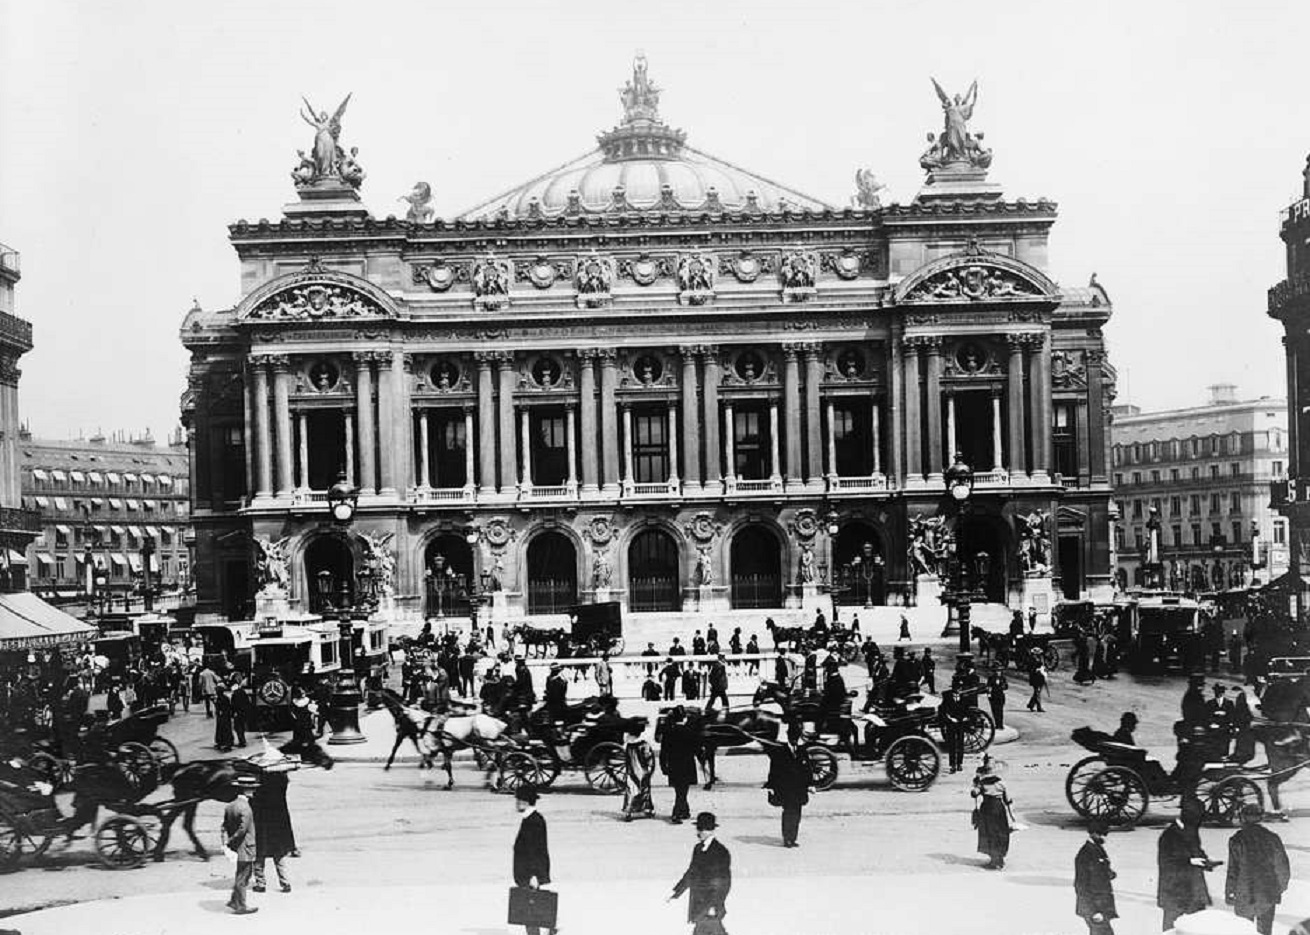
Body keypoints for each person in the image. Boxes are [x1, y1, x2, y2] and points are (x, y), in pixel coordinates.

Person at [1225, 804, 1291, 935]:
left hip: (1243, 892)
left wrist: (1230, 892)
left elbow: (1233, 870)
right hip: (1267, 892)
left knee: (1244, 930)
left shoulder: (1236, 839)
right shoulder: (1272, 838)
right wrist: (1278, 888)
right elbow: (1282, 867)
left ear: (1243, 818)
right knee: (1265, 931)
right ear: (1260, 817)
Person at [1157, 797, 1215, 931]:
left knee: (1196, 929)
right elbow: (1166, 862)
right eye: (1198, 817)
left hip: (1193, 890)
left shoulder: (1191, 831)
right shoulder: (1169, 835)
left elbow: (1197, 852)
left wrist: (1206, 862)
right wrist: (1189, 861)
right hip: (1175, 892)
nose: (1200, 821)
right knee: (1172, 929)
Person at [669, 812, 732, 935]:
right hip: (698, 904)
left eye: (703, 829)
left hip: (710, 907)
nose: (699, 832)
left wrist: (714, 904)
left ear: (712, 830)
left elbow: (723, 883)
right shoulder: (698, 848)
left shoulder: (720, 851)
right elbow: (691, 873)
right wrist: (676, 892)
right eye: (698, 828)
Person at [512, 785, 555, 935]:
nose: (516, 803)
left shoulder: (534, 821)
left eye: (518, 800)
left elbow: (537, 850)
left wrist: (535, 875)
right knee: (529, 911)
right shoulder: (531, 819)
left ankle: (550, 929)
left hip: (530, 874)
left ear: (525, 802)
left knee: (531, 912)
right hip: (527, 873)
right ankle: (549, 929)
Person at [761, 723, 811, 848]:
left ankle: (793, 838)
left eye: (796, 737)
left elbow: (807, 769)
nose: (794, 739)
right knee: (788, 813)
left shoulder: (802, 750)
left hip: (799, 789)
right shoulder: (780, 750)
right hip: (786, 789)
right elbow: (774, 769)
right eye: (792, 736)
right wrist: (771, 785)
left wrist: (810, 784)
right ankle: (787, 839)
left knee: (797, 814)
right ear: (788, 736)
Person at [251, 770, 294, 894]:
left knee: (259, 857)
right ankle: (285, 883)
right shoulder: (279, 795)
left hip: (262, 830)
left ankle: (261, 883)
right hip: (276, 831)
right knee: (279, 858)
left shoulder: (258, 794)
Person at [223, 775, 260, 915]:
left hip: (237, 847)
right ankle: (241, 906)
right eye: (251, 789)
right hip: (246, 847)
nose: (253, 792)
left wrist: (229, 842)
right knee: (244, 877)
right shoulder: (246, 808)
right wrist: (233, 840)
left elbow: (225, 825)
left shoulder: (230, 806)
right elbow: (243, 829)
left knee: (240, 874)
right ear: (246, 791)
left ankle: (234, 901)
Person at [1074, 820, 1117, 935]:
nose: (1103, 837)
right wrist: (1092, 910)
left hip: (1102, 904)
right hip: (1094, 906)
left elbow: (1100, 870)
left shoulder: (1098, 849)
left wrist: (1109, 873)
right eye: (1100, 834)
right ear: (1092, 833)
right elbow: (1081, 884)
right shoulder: (1085, 854)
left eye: (1104, 834)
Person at [971, 757, 1012, 870]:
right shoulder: (1001, 783)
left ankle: (994, 860)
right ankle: (1000, 858)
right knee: (1001, 832)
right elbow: (1008, 800)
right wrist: (1012, 815)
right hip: (999, 809)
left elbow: (974, 794)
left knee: (989, 832)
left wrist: (975, 784)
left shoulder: (982, 784)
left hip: (987, 809)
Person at [660, 706, 699, 823]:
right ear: (684, 717)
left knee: (679, 790)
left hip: (673, 765)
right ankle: (676, 813)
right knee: (682, 791)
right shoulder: (690, 731)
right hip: (687, 765)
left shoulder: (668, 732)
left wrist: (663, 766)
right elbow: (696, 749)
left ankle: (684, 810)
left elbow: (663, 751)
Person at [621, 719, 656, 821]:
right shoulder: (644, 745)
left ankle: (628, 811)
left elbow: (627, 759)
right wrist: (650, 769)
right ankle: (647, 809)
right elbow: (649, 759)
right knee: (645, 790)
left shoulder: (629, 745)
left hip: (631, 771)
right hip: (643, 771)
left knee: (631, 790)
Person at [938, 687, 967, 773]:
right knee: (952, 746)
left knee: (961, 745)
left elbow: (967, 711)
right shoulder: (947, 701)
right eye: (956, 693)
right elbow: (943, 713)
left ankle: (959, 764)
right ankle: (952, 765)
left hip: (960, 724)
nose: (957, 694)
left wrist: (964, 718)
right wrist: (950, 720)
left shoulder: (963, 700)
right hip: (951, 725)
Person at [231, 677, 252, 748]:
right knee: (242, 727)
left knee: (238, 727)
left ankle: (241, 741)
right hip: (244, 712)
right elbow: (247, 702)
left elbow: (233, 705)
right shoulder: (243, 692)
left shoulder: (235, 694)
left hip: (238, 713)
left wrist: (232, 713)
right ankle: (243, 740)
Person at [214, 683, 235, 752]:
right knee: (223, 729)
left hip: (224, 716)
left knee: (225, 729)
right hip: (223, 716)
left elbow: (224, 707)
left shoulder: (222, 698)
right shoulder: (223, 698)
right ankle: (223, 742)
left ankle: (226, 743)